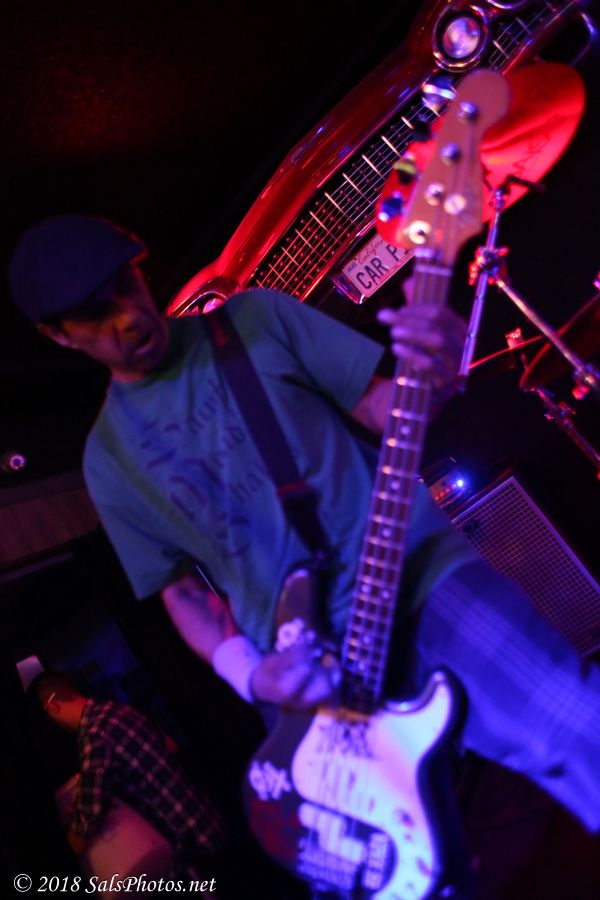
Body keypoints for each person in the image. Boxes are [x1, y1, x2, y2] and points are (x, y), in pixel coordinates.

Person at [7, 214, 600, 853]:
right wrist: (252, 676)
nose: (126, 317)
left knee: (574, 727)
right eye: (95, 314)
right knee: (395, 868)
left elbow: (381, 407)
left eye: (124, 285)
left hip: (418, 577)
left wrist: (427, 375)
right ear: (58, 335)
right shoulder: (109, 459)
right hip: (308, 674)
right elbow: (181, 592)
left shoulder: (255, 320)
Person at [29, 671, 227, 879]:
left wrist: (70, 849)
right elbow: (170, 745)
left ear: (53, 708)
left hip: (188, 846)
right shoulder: (118, 710)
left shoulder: (93, 734)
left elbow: (90, 812)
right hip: (205, 820)